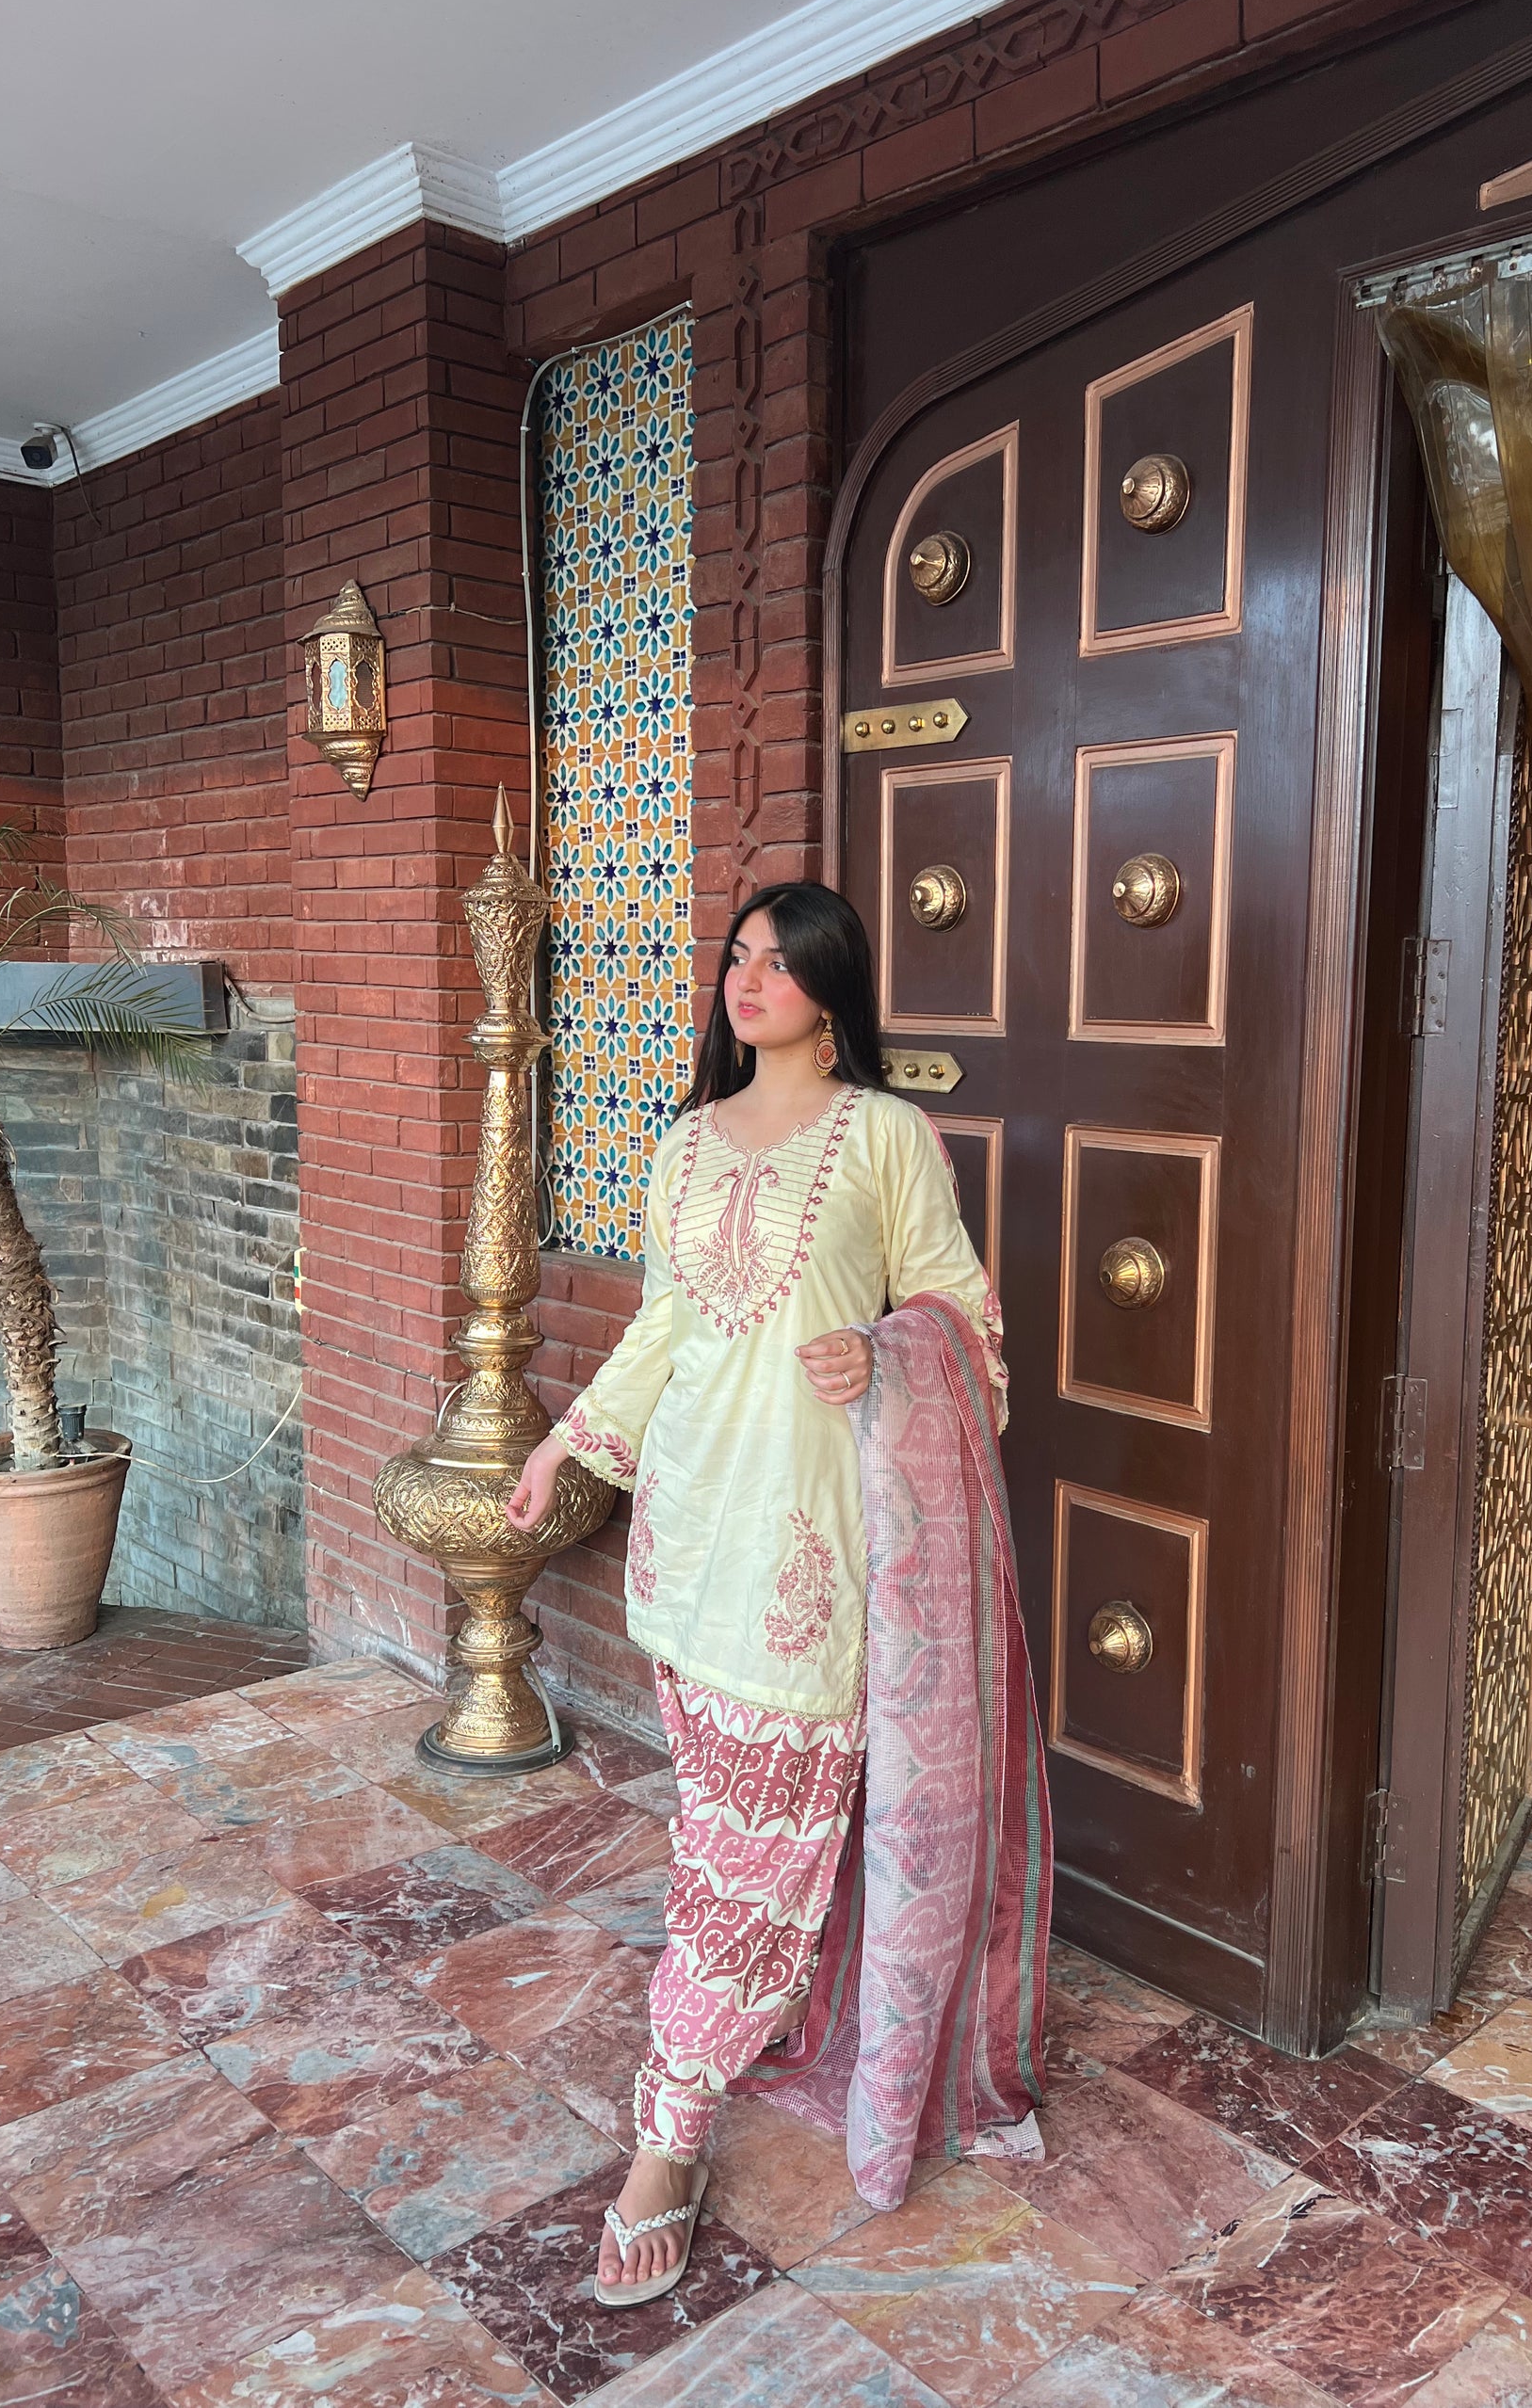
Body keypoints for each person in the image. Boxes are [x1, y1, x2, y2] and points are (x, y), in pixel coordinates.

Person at [506, 879, 1043, 2308]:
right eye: (739, 956)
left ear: (831, 988)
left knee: (750, 1865)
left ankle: (666, 2141)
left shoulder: (883, 1137)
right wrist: (565, 1443)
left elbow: (969, 1323)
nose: (749, 979)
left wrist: (886, 1353)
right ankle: (755, 2034)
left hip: (813, 1556)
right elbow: (661, 1330)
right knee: (720, 1848)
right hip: (691, 1537)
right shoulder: (683, 1143)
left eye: (782, 960)